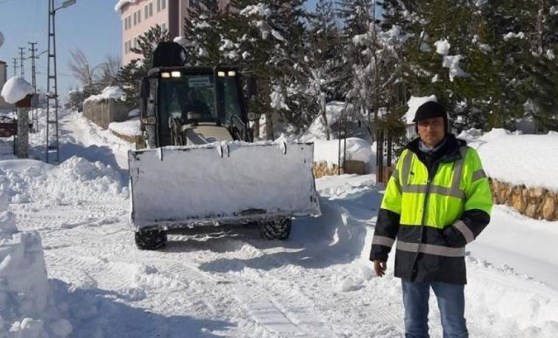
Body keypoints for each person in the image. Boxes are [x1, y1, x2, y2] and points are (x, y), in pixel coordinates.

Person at [370, 100, 493, 337]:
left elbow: (481, 206)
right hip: (411, 258)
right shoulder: (407, 158)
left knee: (454, 329)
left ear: (445, 125)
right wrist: (380, 251)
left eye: (435, 123)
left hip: (446, 259)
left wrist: (455, 236)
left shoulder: (466, 158)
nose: (429, 128)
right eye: (424, 124)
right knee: (414, 328)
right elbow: (390, 208)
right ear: (417, 128)